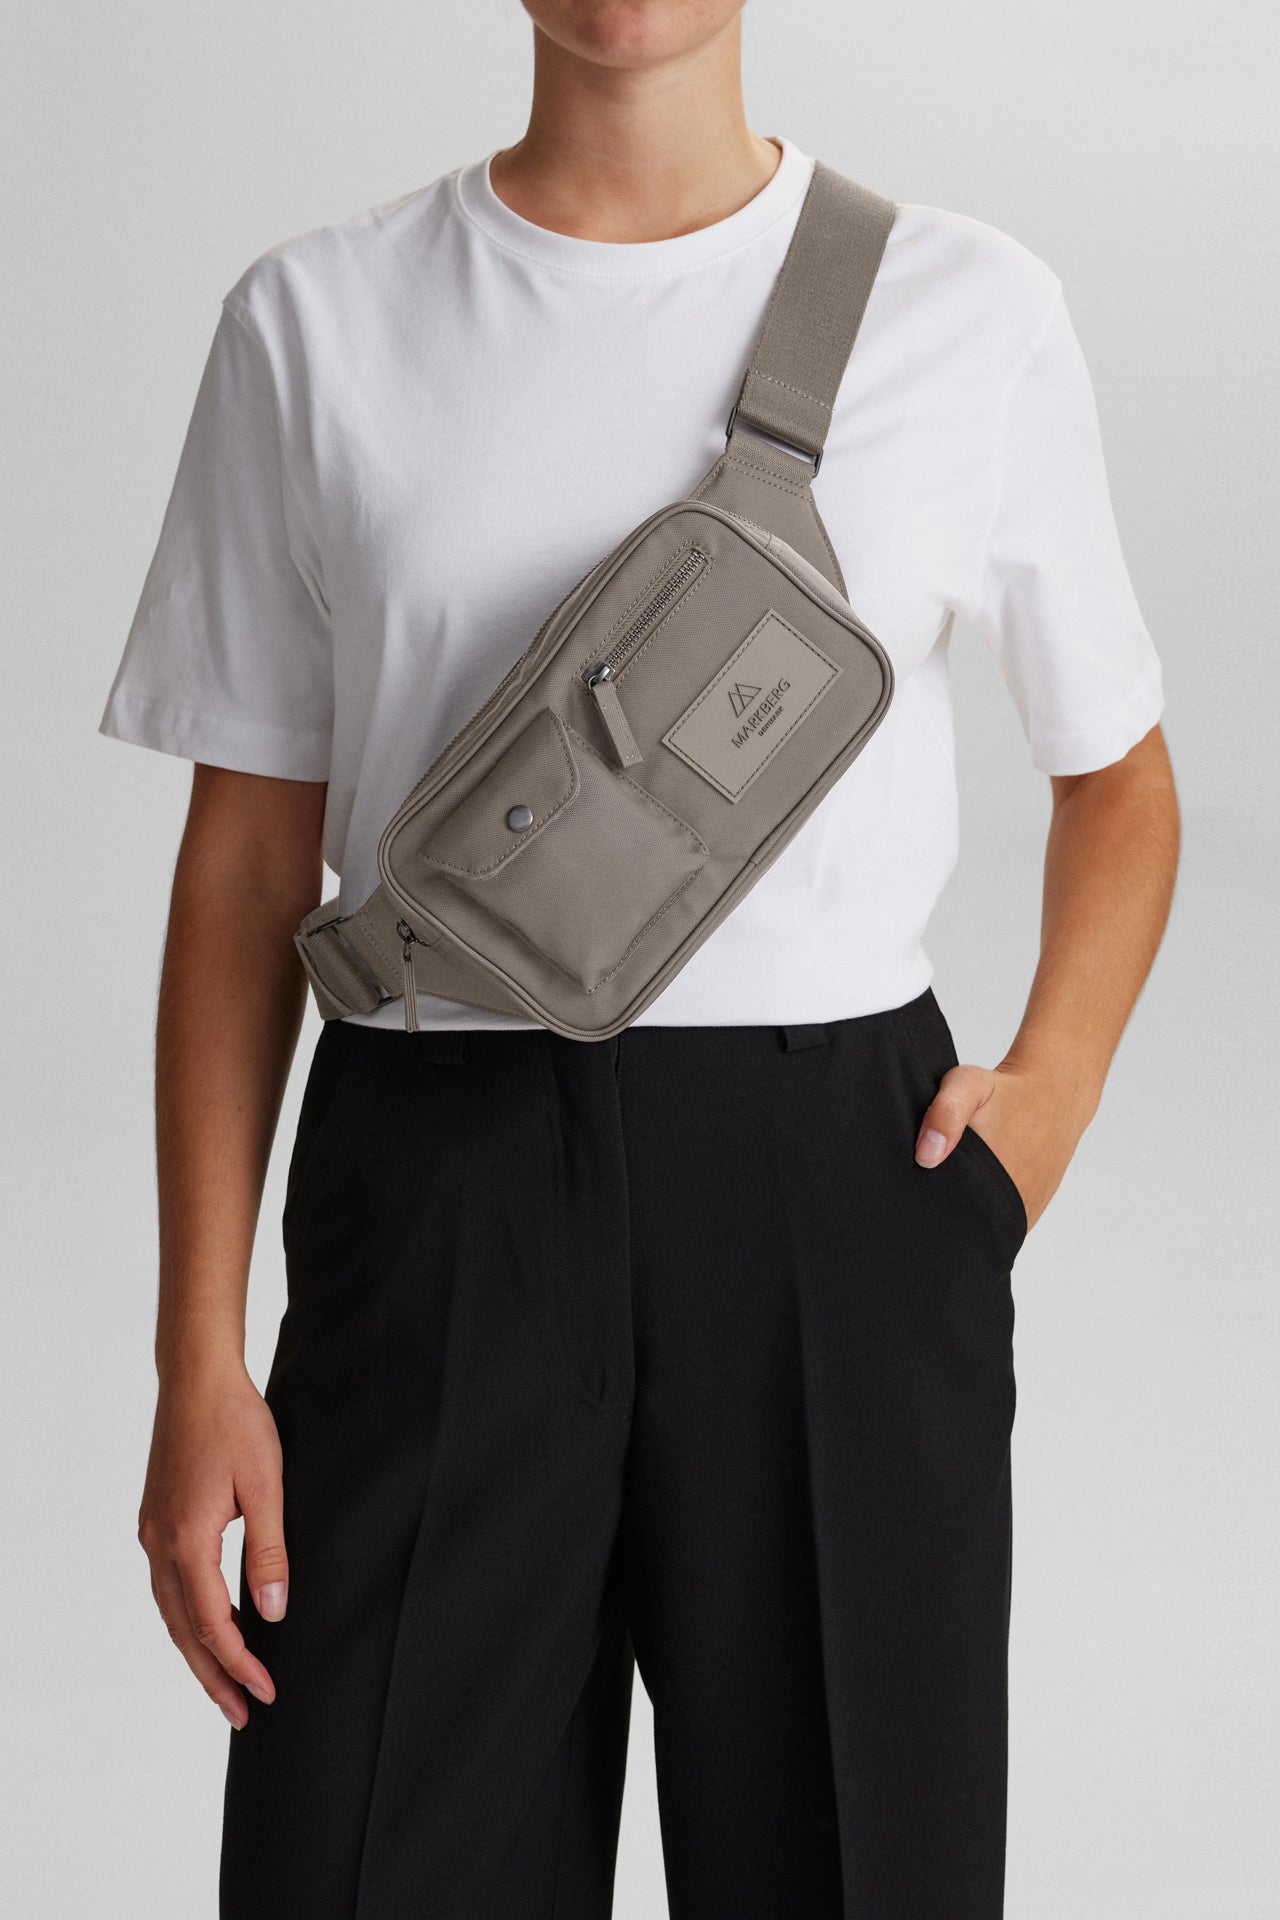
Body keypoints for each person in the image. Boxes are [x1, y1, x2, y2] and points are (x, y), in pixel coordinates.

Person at [100, 2, 1180, 1915]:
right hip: (433, 1175)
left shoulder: (968, 309)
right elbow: (245, 864)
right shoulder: (314, 321)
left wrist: (1048, 1105)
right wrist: (199, 1352)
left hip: (837, 1187)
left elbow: (1121, 781)